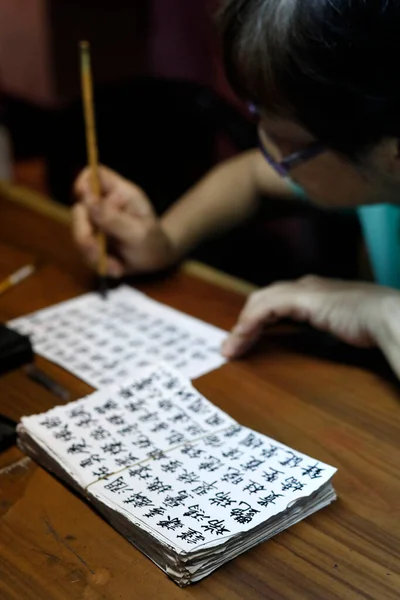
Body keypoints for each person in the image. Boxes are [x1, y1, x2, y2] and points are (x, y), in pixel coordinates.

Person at [72, 0, 400, 379]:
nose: (267, 148)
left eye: (287, 146)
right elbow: (247, 178)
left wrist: (378, 311)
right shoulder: (374, 149)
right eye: (259, 119)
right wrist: (165, 240)